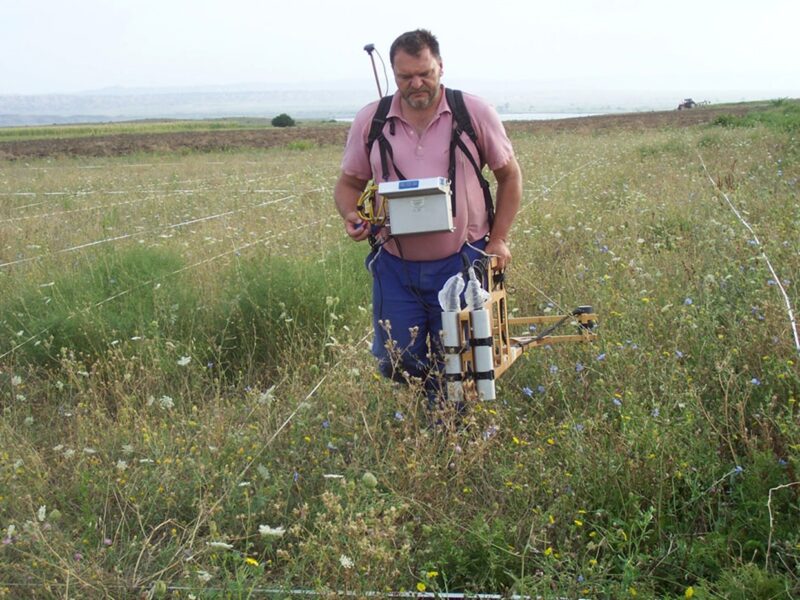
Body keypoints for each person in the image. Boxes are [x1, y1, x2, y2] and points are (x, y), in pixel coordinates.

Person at [334, 29, 522, 403]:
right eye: (405, 77)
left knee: (461, 360)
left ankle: (448, 427)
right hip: (394, 267)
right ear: (393, 74)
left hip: (463, 261)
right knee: (395, 359)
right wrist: (351, 215)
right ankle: (439, 400)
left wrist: (498, 238)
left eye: (425, 73)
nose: (416, 83)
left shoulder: (473, 112)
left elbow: (509, 175)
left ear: (440, 66)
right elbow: (348, 184)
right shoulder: (372, 121)